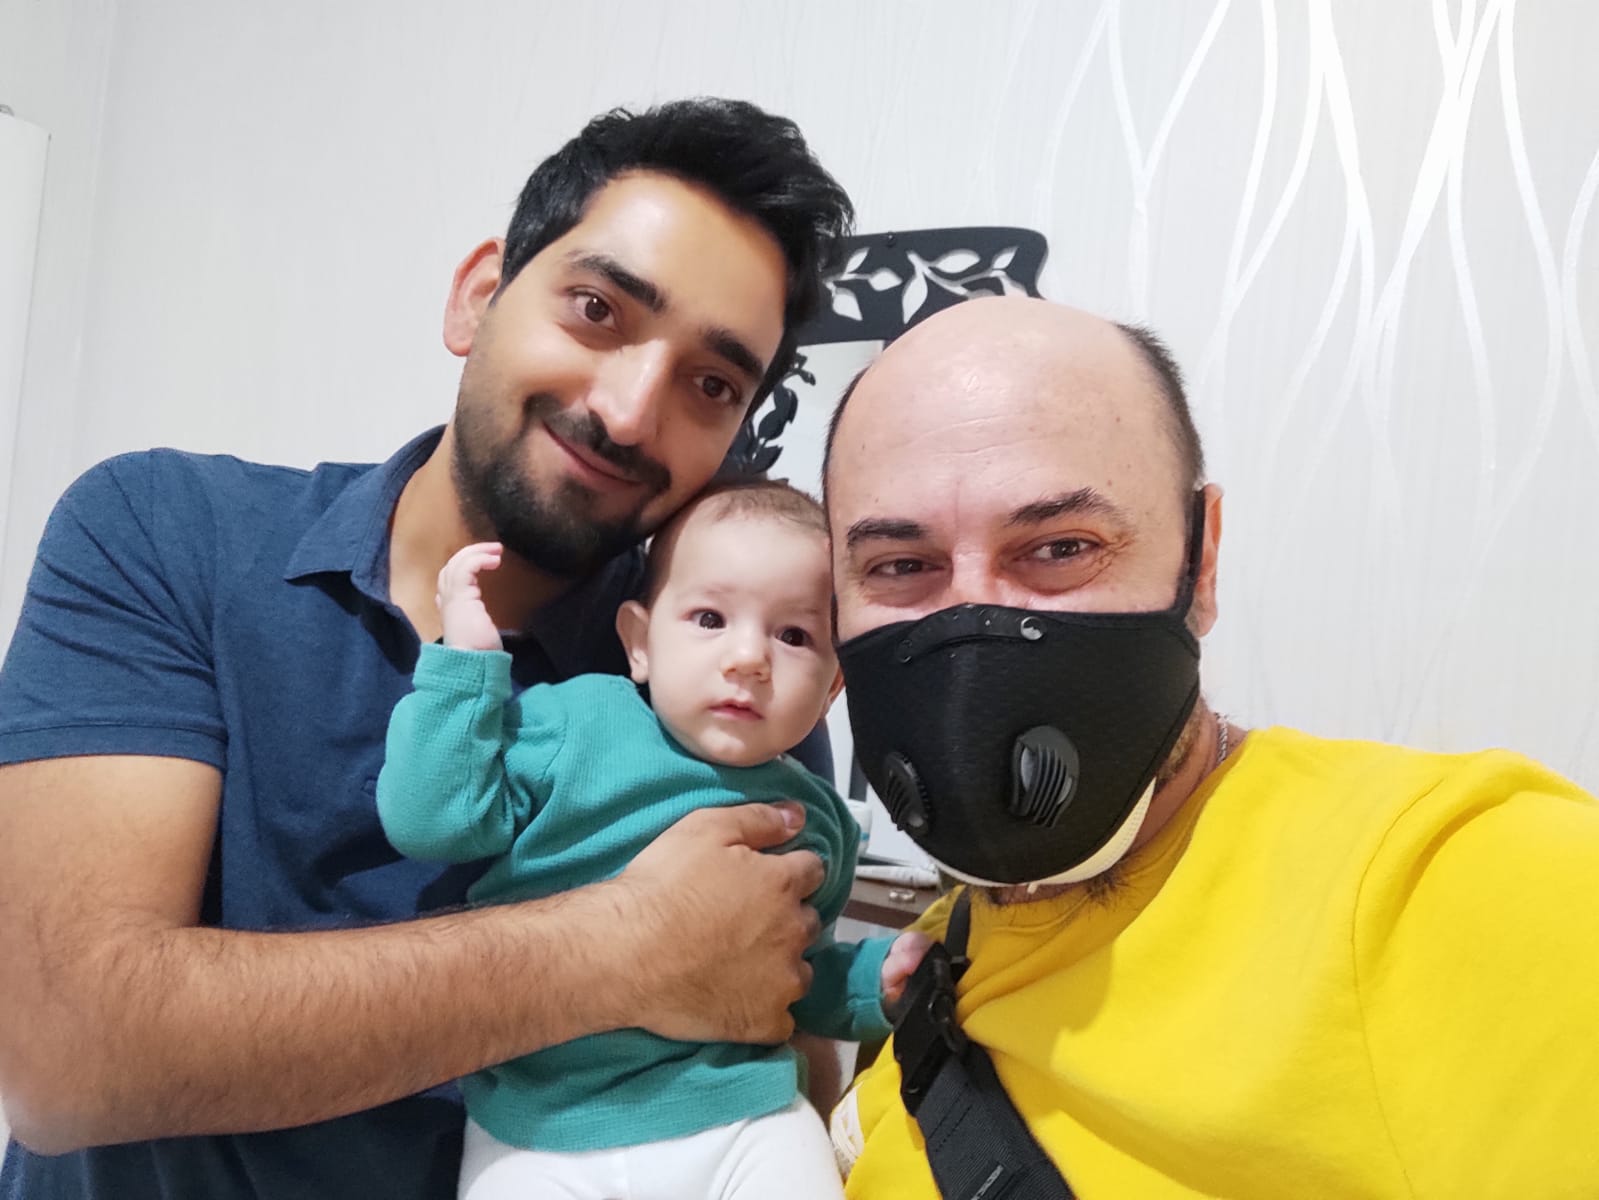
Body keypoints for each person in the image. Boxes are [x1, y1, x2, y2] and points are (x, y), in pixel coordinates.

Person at [0, 97, 855, 1200]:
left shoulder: (727, 675)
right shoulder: (167, 532)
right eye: (598, 310)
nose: (631, 411)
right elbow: (68, 1051)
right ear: (479, 296)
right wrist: (622, 947)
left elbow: (767, 1031)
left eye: (712, 384)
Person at [822, 296, 1599, 1199]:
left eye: (1062, 547)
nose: (971, 627)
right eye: (900, 566)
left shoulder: (1460, 880)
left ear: (1202, 560)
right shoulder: (937, 951)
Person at [378, 480, 927, 1199]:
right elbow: (433, 822)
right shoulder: (569, 725)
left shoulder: (815, 819)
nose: (748, 657)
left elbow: (796, 978)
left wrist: (873, 982)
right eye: (709, 618)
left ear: (830, 690)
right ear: (639, 644)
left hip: (742, 1115)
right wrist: (465, 668)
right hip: (537, 1129)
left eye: (793, 636)